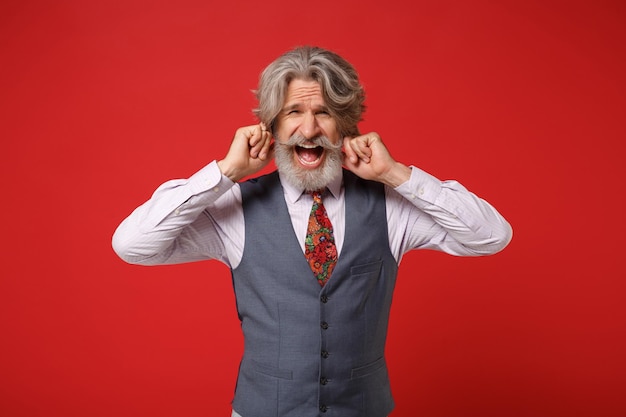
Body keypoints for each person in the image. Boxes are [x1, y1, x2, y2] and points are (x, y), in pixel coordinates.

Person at [112, 46, 512, 417]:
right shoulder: (235, 208)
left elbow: (492, 235)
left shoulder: (389, 205)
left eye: (323, 112)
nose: (308, 129)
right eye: (292, 113)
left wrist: (395, 174)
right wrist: (225, 173)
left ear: (346, 124)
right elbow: (133, 246)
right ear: (271, 126)